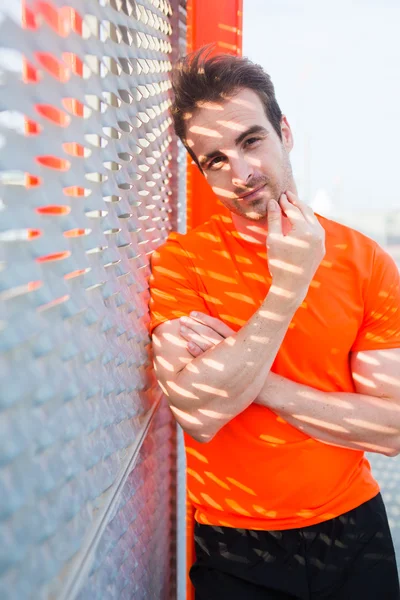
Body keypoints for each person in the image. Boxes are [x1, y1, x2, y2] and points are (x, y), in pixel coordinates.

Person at [149, 47, 400, 599]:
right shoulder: (180, 262)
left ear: (284, 131)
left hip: (356, 530)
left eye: (250, 141)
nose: (240, 173)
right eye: (215, 159)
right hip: (235, 541)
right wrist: (288, 288)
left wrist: (256, 385)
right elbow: (201, 414)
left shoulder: (365, 261)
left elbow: (392, 428)